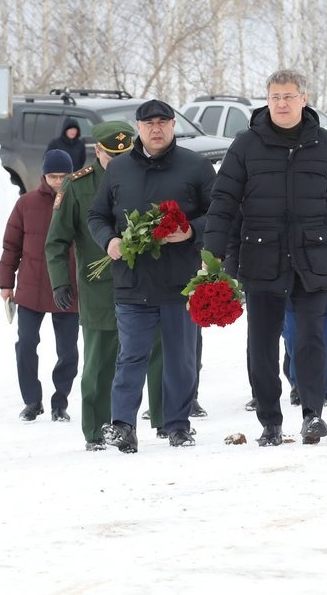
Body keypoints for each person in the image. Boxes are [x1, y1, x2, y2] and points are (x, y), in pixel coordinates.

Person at [204, 70, 327, 446]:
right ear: (267, 100)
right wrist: (213, 256)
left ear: (304, 99)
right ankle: (270, 420)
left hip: (313, 254)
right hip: (261, 255)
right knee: (262, 344)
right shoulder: (245, 144)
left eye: (289, 96)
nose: (282, 104)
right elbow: (223, 202)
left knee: (310, 339)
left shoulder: (326, 144)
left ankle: (312, 415)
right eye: (275, 97)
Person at [87, 100, 215, 452]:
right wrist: (109, 240)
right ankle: (123, 425)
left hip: (181, 282)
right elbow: (96, 216)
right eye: (148, 123)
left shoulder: (196, 166)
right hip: (132, 281)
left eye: (163, 122)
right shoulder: (119, 169)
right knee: (131, 357)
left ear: (173, 125)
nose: (156, 129)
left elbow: (220, 215)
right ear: (138, 128)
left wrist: (190, 231)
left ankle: (177, 425)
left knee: (180, 359)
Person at [46, 121, 151, 451]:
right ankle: (95, 430)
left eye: (125, 155)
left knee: (136, 360)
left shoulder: (144, 176)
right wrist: (60, 282)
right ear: (97, 152)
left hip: (141, 283)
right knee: (99, 364)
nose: (118, 163)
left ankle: (127, 425)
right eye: (111, 156)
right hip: (98, 288)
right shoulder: (77, 186)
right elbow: (56, 241)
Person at [0, 148, 80, 422]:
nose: (58, 181)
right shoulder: (26, 204)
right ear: (44, 175)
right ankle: (32, 401)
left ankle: (61, 402)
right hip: (31, 287)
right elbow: (11, 246)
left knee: (68, 350)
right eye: (53, 176)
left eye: (63, 176)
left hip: (67, 288)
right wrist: (6, 283)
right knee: (26, 344)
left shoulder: (79, 202)